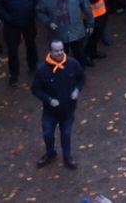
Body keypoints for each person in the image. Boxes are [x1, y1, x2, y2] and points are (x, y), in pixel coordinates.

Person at [30, 38, 83, 170]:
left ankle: (67, 157)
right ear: (50, 52)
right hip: (50, 111)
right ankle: (50, 153)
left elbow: (81, 79)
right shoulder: (42, 70)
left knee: (66, 134)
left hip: (68, 109)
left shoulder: (73, 64)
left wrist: (77, 89)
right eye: (56, 51)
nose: (59, 53)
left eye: (61, 50)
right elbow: (35, 89)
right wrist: (49, 99)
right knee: (47, 133)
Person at [36, 0, 94, 64]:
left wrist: (90, 23)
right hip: (58, 34)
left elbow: (86, 6)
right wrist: (48, 22)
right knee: (62, 58)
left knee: (80, 55)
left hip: (76, 30)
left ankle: (79, 74)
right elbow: (39, 12)